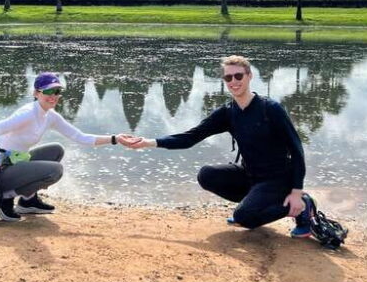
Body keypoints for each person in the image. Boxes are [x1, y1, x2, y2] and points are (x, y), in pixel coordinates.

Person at [119, 55, 314, 237]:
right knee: (207, 175)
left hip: (277, 178)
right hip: (250, 175)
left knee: (243, 218)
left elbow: (297, 150)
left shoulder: (270, 109)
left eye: (238, 76)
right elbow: (191, 137)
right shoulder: (228, 112)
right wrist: (147, 143)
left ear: (249, 76)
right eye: (228, 78)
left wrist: (297, 191)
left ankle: (303, 206)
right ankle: (251, 205)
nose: (233, 82)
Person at [0, 71, 128, 222]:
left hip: (16, 164)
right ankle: (5, 199)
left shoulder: (49, 115)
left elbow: (80, 137)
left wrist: (115, 139)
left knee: (56, 150)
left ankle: (28, 202)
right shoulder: (27, 114)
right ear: (36, 93)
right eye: (48, 91)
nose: (53, 96)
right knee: (55, 170)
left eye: (57, 91)